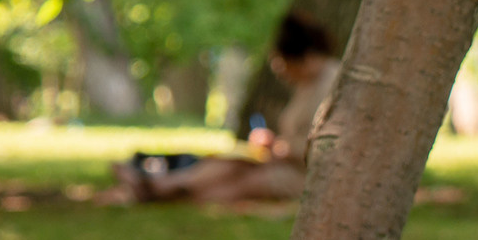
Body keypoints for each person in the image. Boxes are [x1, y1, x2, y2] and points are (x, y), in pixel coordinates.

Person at [111, 15, 337, 205]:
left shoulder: (331, 85)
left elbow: (323, 146)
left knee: (247, 181)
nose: (281, 73)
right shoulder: (307, 85)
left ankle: (161, 191)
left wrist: (280, 149)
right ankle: (166, 185)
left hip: (304, 175)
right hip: (287, 162)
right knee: (228, 163)